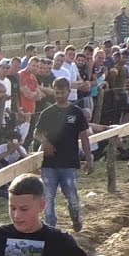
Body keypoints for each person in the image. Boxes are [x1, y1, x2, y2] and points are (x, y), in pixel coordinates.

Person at [37, 78, 93, 232]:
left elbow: (84, 136)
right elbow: (37, 132)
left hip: (69, 163)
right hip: (49, 164)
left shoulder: (77, 112)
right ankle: (50, 228)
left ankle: (75, 218)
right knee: (48, 198)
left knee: (72, 198)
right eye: (56, 92)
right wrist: (45, 142)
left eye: (62, 92)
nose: (59, 95)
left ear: (69, 91)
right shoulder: (47, 112)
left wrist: (89, 158)